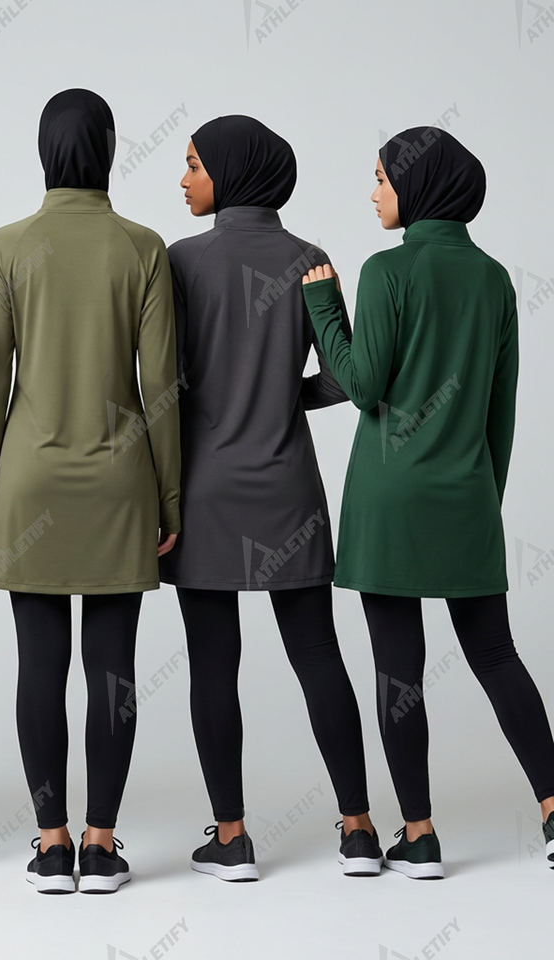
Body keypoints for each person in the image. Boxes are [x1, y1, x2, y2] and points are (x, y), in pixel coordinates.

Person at [302, 127, 554, 878]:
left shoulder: (386, 270)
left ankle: (420, 837)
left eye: (382, 178)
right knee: (497, 655)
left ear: (417, 185)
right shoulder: (494, 279)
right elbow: (501, 411)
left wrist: (323, 308)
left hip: (389, 502)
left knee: (398, 671)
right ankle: (553, 811)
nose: (374, 192)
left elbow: (364, 384)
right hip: (467, 496)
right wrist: (483, 501)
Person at [160, 115, 381, 881]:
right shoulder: (309, 259)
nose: (184, 179)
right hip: (289, 490)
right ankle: (359, 830)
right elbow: (348, 378)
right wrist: (285, 395)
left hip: (205, 493)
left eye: (194, 164)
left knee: (212, 666)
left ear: (230, 171)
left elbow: (164, 380)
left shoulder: (181, 260)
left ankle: (233, 839)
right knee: (318, 655)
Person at [0, 88, 181, 894]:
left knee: (39, 667)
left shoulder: (7, 246)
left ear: (43, 151)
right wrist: (169, 498)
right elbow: (161, 388)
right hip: (121, 484)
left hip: (29, 483)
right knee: (114, 670)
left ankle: (50, 845)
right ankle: (101, 845)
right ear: (109, 150)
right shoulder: (144, 247)